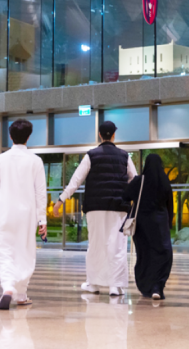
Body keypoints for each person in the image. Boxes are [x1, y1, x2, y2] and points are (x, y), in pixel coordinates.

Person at [52, 121, 137, 296]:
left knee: (96, 245)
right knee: (117, 245)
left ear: (99, 135)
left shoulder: (91, 155)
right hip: (119, 206)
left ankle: (93, 284)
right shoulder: (124, 156)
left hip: (95, 206)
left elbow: (76, 180)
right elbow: (134, 179)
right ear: (114, 135)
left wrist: (61, 199)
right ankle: (115, 286)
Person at [0, 119, 48, 310]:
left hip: (5, 212)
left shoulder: (0, 159)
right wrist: (42, 218)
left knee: (4, 249)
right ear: (28, 137)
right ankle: (21, 294)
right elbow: (40, 192)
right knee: (24, 251)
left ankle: (8, 286)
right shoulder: (35, 161)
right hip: (27, 214)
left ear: (10, 136)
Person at [123, 153, 174, 300]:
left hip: (142, 226)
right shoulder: (164, 181)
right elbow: (169, 204)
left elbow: (125, 195)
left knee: (144, 255)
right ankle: (157, 287)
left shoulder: (139, 181)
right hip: (160, 225)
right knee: (162, 254)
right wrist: (169, 223)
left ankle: (145, 286)